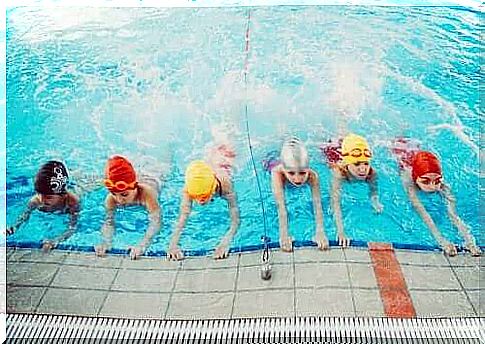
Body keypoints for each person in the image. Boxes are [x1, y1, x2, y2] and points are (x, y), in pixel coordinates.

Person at [392, 137, 481, 256]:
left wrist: (470, 241)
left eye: (437, 181)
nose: (433, 186)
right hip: (400, 151)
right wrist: (442, 241)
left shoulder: (443, 186)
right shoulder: (409, 183)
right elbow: (425, 215)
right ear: (416, 179)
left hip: (416, 153)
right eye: (425, 182)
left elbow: (453, 215)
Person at [168, 143, 240, 261]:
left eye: (204, 197)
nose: (199, 202)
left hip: (226, 160)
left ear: (213, 189)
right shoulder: (188, 189)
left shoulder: (225, 184)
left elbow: (235, 219)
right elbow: (183, 217)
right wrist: (173, 244)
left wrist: (225, 242)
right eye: (195, 197)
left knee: (227, 144)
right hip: (210, 163)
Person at [264, 136, 328, 252]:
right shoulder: (277, 173)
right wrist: (284, 235)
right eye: (291, 173)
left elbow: (318, 206)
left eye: (303, 173)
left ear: (308, 168)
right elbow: (281, 208)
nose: (298, 179)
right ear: (284, 169)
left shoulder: (313, 176)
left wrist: (320, 232)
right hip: (272, 161)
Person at [321, 133, 383, 247]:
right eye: (357, 164)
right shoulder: (339, 174)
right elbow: (335, 203)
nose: (363, 169)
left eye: (366, 163)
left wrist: (375, 201)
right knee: (332, 143)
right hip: (333, 153)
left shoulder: (372, 173)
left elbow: (373, 191)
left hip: (347, 151)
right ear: (347, 164)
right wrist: (340, 231)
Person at [95, 155, 162, 260]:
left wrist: (143, 245)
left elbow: (156, 221)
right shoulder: (110, 199)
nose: (119, 200)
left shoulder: (147, 194)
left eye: (124, 195)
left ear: (135, 186)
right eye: (114, 193)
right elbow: (108, 222)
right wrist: (106, 241)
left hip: (155, 175)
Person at [6, 160, 79, 251]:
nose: (43, 200)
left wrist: (56, 240)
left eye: (48, 197)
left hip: (76, 189)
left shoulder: (72, 202)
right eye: (40, 194)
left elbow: (72, 228)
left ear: (63, 195)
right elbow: (22, 218)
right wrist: (12, 228)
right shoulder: (35, 201)